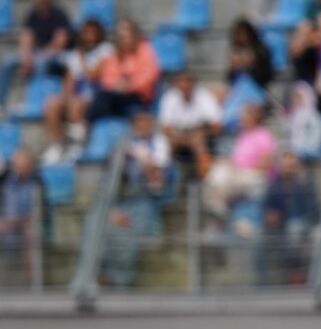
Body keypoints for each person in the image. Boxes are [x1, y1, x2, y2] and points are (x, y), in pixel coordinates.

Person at [102, 110, 170, 288]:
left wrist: (145, 160)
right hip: (121, 199)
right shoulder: (125, 144)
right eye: (139, 122)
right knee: (106, 232)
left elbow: (158, 182)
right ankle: (112, 279)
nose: (143, 126)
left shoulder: (159, 143)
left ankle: (123, 284)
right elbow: (111, 175)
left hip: (145, 199)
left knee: (128, 239)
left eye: (146, 122)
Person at [40, 18, 112, 166]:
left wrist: (81, 58)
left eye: (93, 32)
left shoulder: (106, 50)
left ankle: (77, 146)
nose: (89, 36)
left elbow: (93, 75)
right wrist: (64, 97)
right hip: (78, 94)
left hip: (97, 94)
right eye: (86, 33)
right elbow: (69, 81)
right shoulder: (75, 54)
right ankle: (57, 145)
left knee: (76, 105)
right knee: (52, 103)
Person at [203, 103, 278, 225]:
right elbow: (236, 159)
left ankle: (221, 209)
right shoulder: (243, 136)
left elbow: (265, 164)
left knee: (220, 175)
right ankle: (219, 209)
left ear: (254, 117)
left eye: (244, 115)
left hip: (256, 177)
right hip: (239, 175)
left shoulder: (264, 135)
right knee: (217, 171)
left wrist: (239, 169)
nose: (241, 119)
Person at [261, 150, 321, 284]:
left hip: (307, 224)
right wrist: (271, 216)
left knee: (317, 236)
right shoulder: (274, 186)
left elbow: (314, 210)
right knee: (291, 230)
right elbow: (268, 209)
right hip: (281, 228)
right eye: (286, 163)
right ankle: (293, 274)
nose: (289, 166)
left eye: (292, 163)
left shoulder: (305, 183)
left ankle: (314, 280)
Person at [87, 19, 161, 122]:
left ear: (134, 35)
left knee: (103, 99)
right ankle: (95, 129)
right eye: (121, 37)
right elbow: (106, 77)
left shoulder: (145, 49)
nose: (124, 40)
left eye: (127, 35)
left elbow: (150, 74)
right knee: (101, 97)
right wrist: (116, 85)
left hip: (140, 96)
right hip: (118, 94)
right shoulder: (116, 54)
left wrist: (130, 85)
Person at [159, 70, 223, 178]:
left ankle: (205, 180)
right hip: (178, 134)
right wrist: (183, 138)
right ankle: (167, 181)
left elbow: (217, 126)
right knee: (165, 145)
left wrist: (203, 133)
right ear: (176, 84)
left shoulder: (204, 96)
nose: (185, 85)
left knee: (200, 144)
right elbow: (166, 128)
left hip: (200, 132)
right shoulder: (169, 97)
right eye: (181, 82)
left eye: (188, 82)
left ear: (194, 83)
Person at [0, 149, 42, 279]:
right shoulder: (4, 180)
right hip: (5, 223)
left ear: (30, 165)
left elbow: (39, 210)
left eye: (23, 164)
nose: (18, 168)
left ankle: (31, 281)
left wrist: (14, 222)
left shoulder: (36, 182)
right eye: (16, 164)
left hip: (25, 224)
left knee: (30, 232)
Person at [283, 81, 321, 158]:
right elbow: (289, 131)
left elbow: (318, 134)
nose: (295, 100)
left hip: (308, 148)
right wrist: (285, 119)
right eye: (294, 97)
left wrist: (308, 147)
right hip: (295, 147)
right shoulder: (295, 113)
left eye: (298, 97)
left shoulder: (313, 114)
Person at [227, 19, 274, 88]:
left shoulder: (261, 50)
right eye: (238, 34)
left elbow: (266, 75)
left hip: (257, 87)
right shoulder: (236, 51)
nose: (240, 37)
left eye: (242, 34)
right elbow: (230, 79)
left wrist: (250, 66)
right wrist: (235, 68)